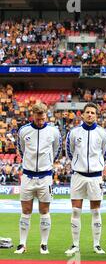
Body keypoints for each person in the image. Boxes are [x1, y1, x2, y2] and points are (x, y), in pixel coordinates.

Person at [14, 103, 62, 254]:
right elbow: (21, 149)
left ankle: (44, 244)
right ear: (33, 116)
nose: (40, 121)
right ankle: (22, 244)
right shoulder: (24, 130)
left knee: (44, 210)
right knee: (26, 210)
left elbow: (57, 150)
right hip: (28, 176)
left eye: (42, 118)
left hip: (45, 176)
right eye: (38, 118)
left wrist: (46, 163)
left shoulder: (53, 131)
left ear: (46, 115)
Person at [65, 103, 106, 255]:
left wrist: (97, 166)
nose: (90, 114)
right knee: (75, 211)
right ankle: (75, 245)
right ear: (83, 115)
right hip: (78, 175)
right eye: (88, 112)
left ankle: (97, 245)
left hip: (95, 177)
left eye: (93, 112)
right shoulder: (73, 132)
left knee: (96, 211)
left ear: (96, 115)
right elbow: (69, 152)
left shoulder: (103, 133)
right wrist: (78, 164)